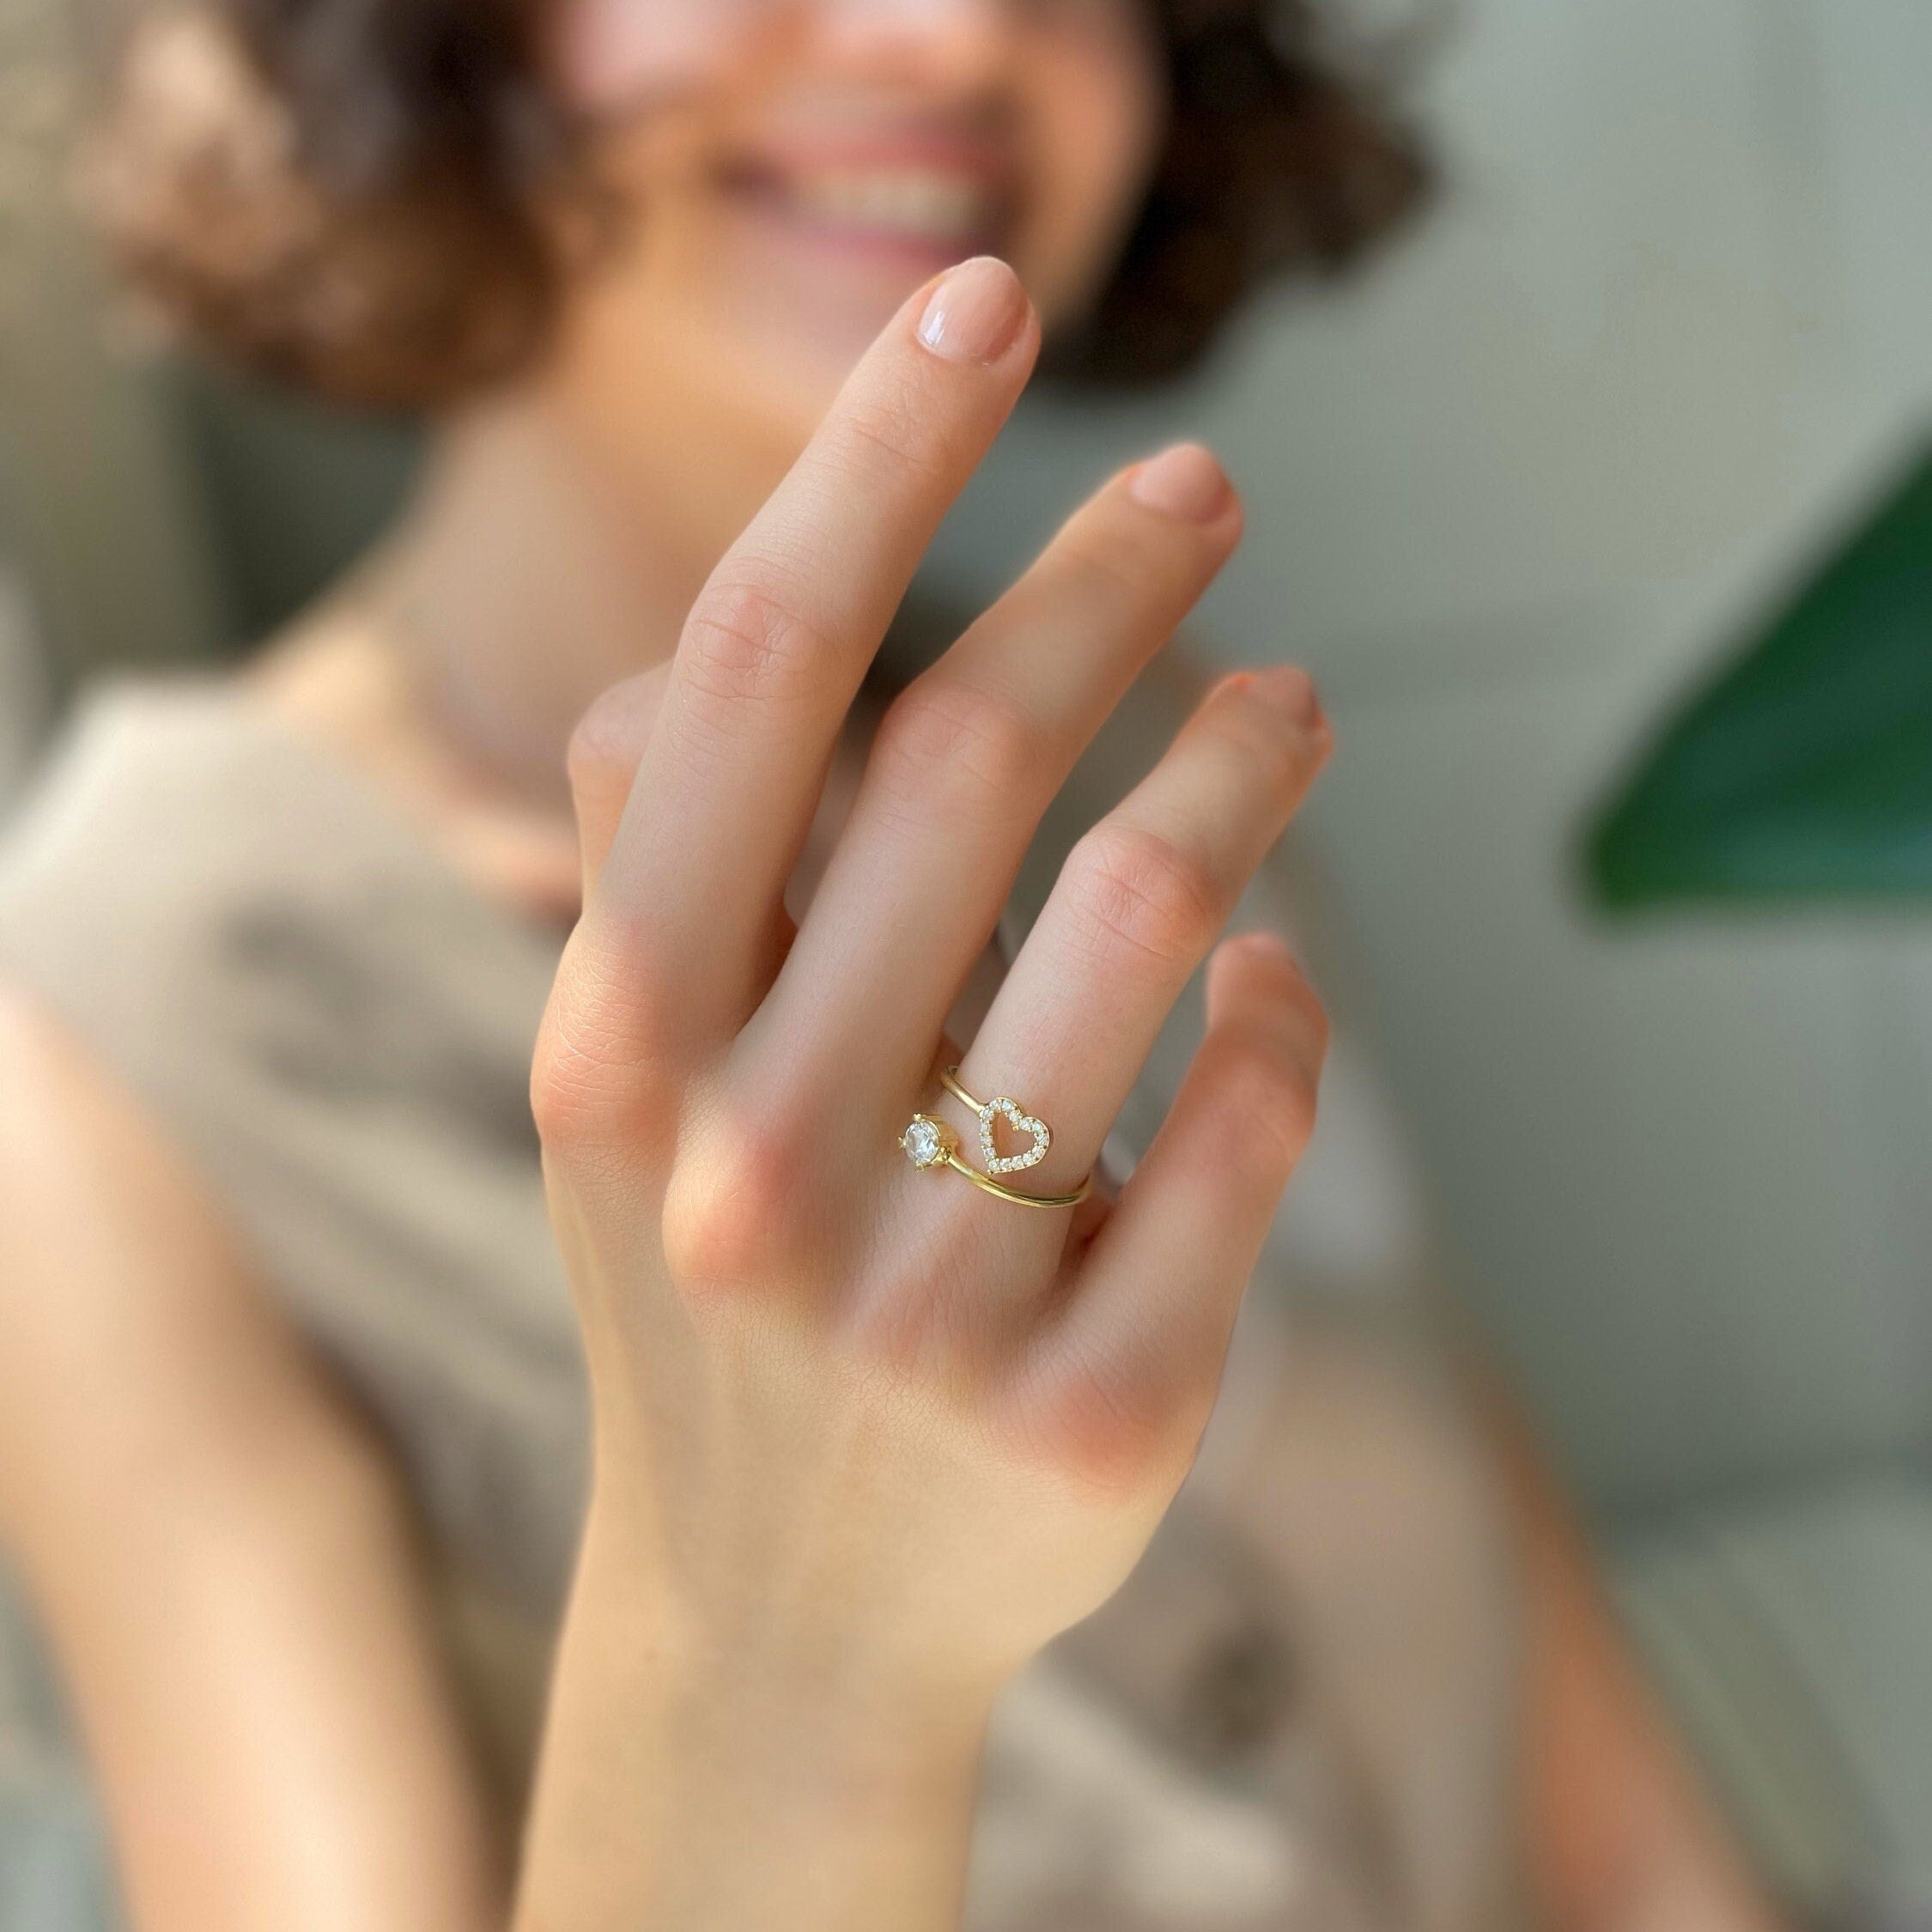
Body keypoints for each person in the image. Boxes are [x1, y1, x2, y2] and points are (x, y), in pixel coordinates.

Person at [0, 2, 1783, 1927]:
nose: (948, 30)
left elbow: (1619, 1820)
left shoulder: (1139, 764)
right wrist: (777, 1645)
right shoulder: (119, 1025)